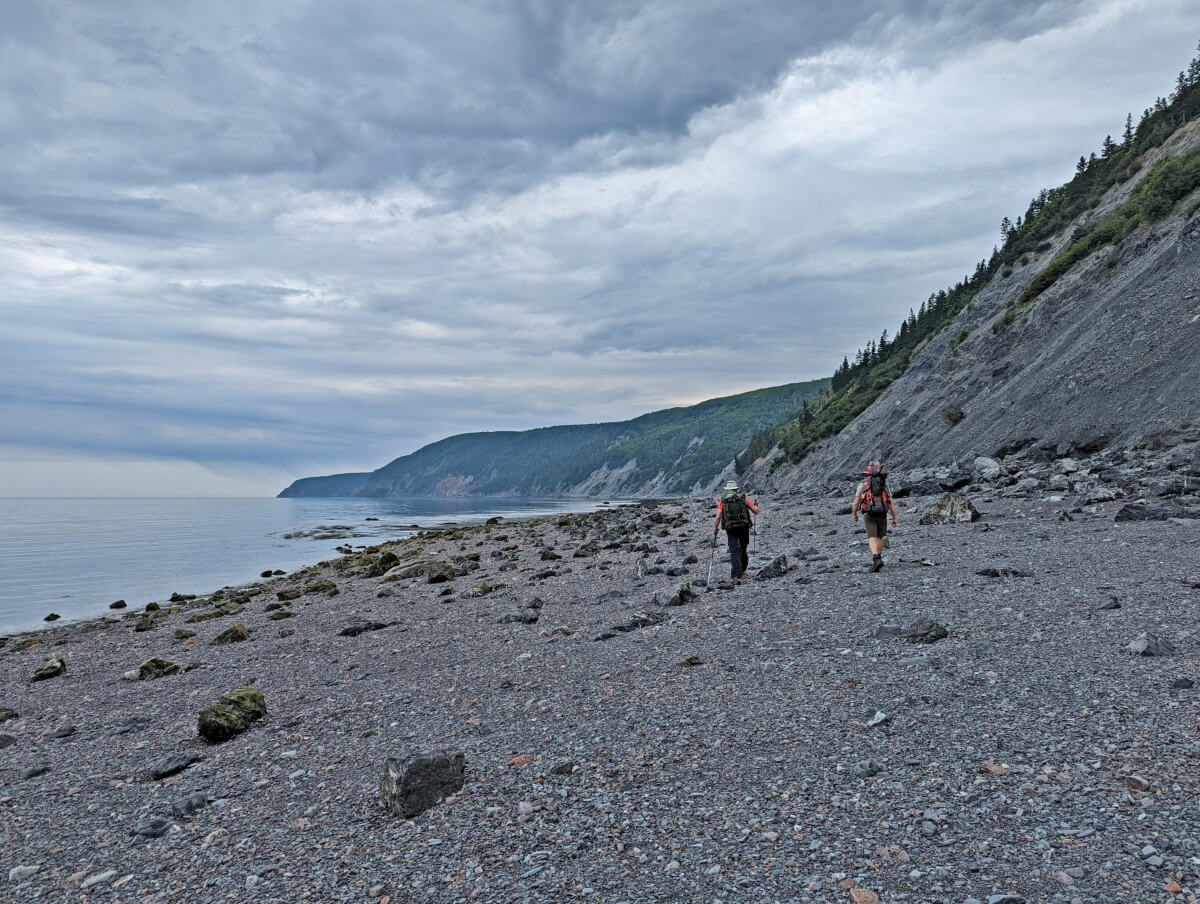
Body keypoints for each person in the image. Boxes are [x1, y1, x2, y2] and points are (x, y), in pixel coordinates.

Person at [853, 462, 898, 571]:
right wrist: (894, 518)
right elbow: (891, 503)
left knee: (872, 537)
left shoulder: (863, 485)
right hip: (882, 514)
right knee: (880, 536)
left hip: (869, 514)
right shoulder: (884, 486)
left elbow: (856, 502)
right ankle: (879, 557)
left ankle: (876, 558)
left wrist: (854, 514)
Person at [712, 480, 761, 582]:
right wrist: (756, 505)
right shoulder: (743, 497)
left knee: (734, 549)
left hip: (731, 527)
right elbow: (756, 511)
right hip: (743, 526)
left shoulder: (723, 500)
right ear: (736, 488)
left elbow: (718, 517)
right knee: (743, 547)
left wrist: (715, 529)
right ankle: (743, 569)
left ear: (728, 489)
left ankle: (735, 574)